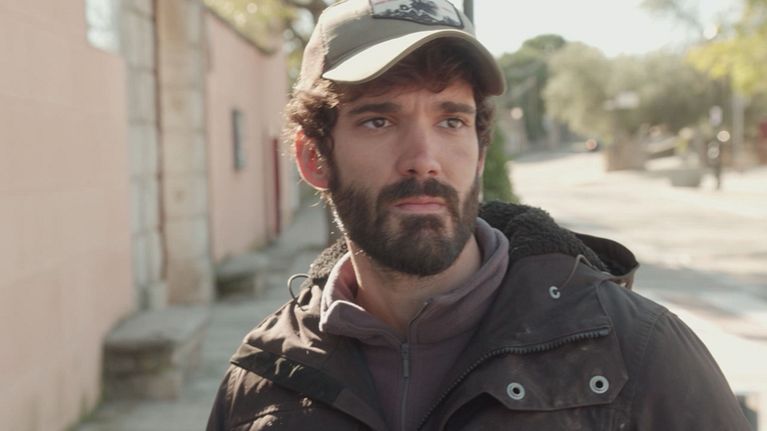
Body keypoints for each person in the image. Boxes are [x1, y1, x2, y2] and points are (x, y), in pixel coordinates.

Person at [207, 0, 750, 429]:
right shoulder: (264, 382)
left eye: (451, 122)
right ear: (313, 158)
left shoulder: (636, 350)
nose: (424, 158)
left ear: (481, 151)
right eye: (378, 121)